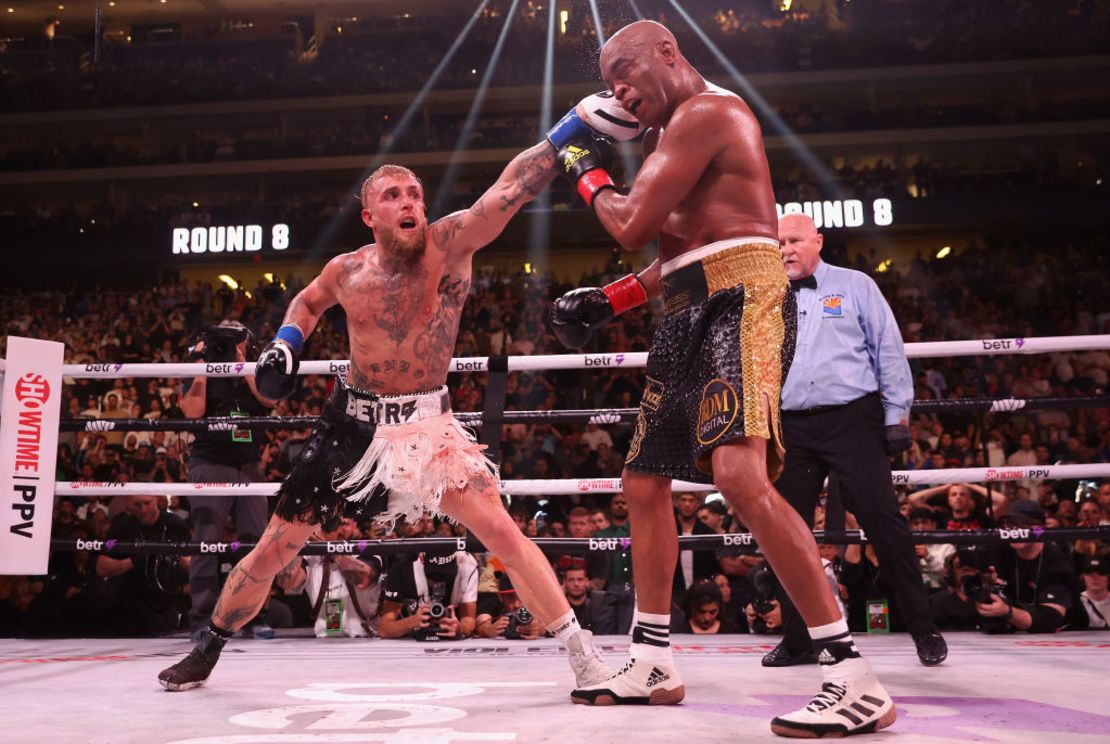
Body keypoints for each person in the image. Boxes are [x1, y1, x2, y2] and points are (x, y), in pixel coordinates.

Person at [159, 130, 615, 692]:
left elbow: (510, 189)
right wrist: (286, 342)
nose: (410, 204)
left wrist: (568, 130)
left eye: (415, 194)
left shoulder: (450, 244)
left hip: (428, 425)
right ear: (370, 215)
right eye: (395, 195)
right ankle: (209, 646)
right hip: (351, 424)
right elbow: (307, 303)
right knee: (278, 543)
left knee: (501, 531)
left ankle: (583, 655)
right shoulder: (346, 270)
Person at [548, 20, 895, 736]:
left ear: (668, 54)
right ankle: (650, 659)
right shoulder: (668, 139)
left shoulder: (708, 112)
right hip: (686, 304)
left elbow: (630, 222)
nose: (618, 90)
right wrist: (610, 300)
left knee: (738, 477)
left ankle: (849, 671)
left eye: (626, 73)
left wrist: (578, 159)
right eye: (608, 80)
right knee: (643, 480)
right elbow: (677, 246)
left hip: (740, 296)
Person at [765, 212, 946, 668]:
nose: (786, 249)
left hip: (853, 419)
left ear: (818, 241)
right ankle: (799, 638)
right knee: (788, 531)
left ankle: (923, 628)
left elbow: (887, 346)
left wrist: (896, 414)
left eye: (794, 240)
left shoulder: (855, 284)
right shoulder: (765, 294)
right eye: (779, 242)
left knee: (884, 522)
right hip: (791, 426)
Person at [182, 320, 275, 636]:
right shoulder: (201, 366)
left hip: (249, 466)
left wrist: (241, 362)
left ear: (247, 339)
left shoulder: (259, 366)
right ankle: (202, 619)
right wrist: (200, 363)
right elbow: (192, 411)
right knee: (206, 540)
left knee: (256, 544)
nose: (229, 337)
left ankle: (252, 616)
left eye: (237, 333)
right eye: (224, 332)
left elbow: (269, 400)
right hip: (210, 462)